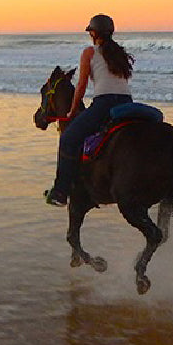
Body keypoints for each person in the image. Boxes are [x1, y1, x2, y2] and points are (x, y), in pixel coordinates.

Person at [44, 14, 133, 206]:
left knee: (68, 139)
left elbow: (82, 86)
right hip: (127, 103)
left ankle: (60, 192)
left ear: (93, 33)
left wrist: (73, 111)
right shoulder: (120, 53)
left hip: (104, 104)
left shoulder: (90, 52)